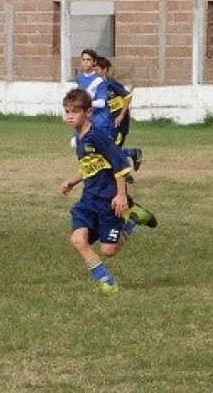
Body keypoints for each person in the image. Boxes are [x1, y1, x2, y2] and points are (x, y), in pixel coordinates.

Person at [58, 88, 153, 295]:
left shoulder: (97, 136)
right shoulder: (80, 137)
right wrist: (72, 182)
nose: (70, 116)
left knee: (109, 250)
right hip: (88, 201)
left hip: (109, 201)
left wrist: (120, 195)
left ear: (88, 112)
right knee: (77, 240)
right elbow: (90, 166)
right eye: (67, 112)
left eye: (75, 112)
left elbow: (119, 163)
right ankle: (106, 280)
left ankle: (132, 219)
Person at [94, 57, 143, 171]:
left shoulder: (111, 83)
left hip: (120, 121)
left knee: (113, 149)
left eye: (97, 70)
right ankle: (132, 154)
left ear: (105, 69)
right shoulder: (100, 85)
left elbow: (127, 97)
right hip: (110, 121)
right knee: (109, 148)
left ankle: (124, 172)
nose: (95, 72)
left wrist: (121, 115)